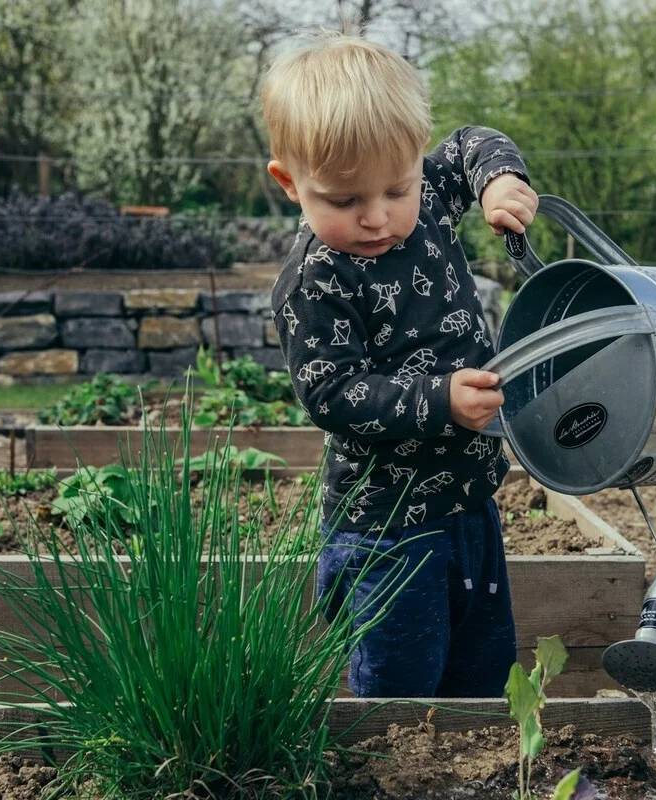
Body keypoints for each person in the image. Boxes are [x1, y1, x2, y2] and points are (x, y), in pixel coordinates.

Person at [263, 32, 538, 698]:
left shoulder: (433, 196)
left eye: (396, 187)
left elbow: (474, 140)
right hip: (387, 529)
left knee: (482, 667)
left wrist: (501, 180)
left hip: (471, 502)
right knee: (400, 685)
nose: (377, 217)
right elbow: (332, 392)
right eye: (343, 200)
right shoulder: (315, 281)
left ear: (417, 159)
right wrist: (439, 400)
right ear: (289, 184)